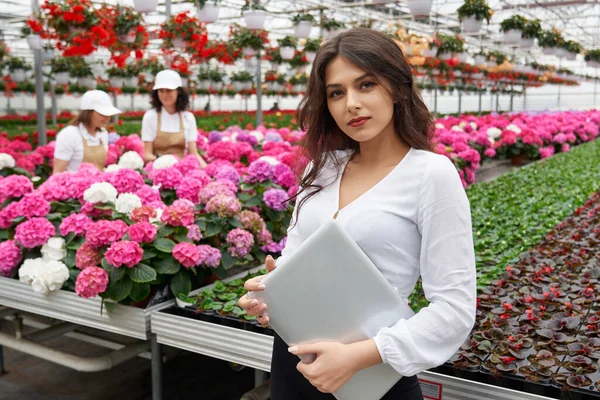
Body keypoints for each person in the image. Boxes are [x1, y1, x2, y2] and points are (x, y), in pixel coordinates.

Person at [238, 29, 476, 399]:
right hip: (296, 362)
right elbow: (295, 258)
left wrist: (356, 357)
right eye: (336, 92)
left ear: (396, 87)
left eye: (366, 85)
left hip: (373, 375)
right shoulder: (323, 169)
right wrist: (271, 293)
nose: (351, 103)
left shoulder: (431, 174)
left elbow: (455, 310)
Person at [142, 69, 207, 167]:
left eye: (169, 91)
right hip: (157, 169)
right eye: (161, 91)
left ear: (178, 92)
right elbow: (147, 155)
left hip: (182, 169)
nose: (164, 95)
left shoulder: (188, 118)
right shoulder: (150, 117)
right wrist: (165, 163)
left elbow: (193, 153)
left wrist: (208, 171)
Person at [53, 90, 121, 174]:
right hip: (75, 185)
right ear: (88, 113)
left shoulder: (103, 134)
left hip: (98, 185)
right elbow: (57, 173)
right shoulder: (69, 134)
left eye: (109, 114)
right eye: (102, 114)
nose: (107, 118)